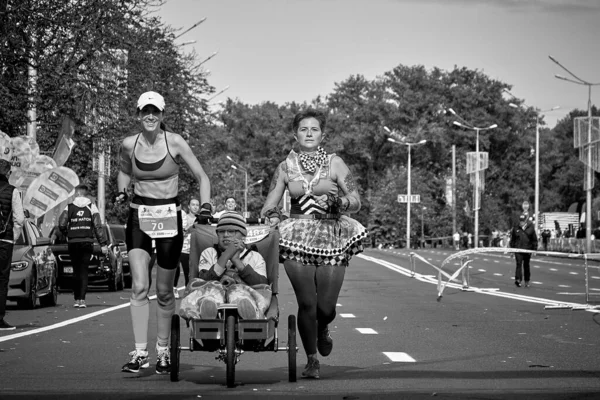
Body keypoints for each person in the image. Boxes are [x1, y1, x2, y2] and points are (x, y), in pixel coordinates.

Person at [260, 108, 366, 379]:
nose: (309, 133)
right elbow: (270, 204)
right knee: (307, 303)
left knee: (325, 308)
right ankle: (311, 360)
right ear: (294, 135)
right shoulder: (285, 167)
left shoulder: (335, 163)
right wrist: (271, 214)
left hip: (331, 234)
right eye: (303, 129)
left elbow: (355, 200)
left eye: (314, 129)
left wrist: (341, 202)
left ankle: (322, 328)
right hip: (297, 238)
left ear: (323, 134)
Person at [115, 91, 211, 375]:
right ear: (138, 113)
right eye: (145, 110)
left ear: (162, 115)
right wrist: (122, 190)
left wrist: (205, 206)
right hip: (138, 215)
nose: (150, 116)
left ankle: (164, 352)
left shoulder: (176, 142)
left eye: (155, 111)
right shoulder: (128, 144)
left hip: (169, 215)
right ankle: (140, 352)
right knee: (140, 286)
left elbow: (202, 176)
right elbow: (122, 172)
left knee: (164, 290)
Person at [179, 212, 271, 320]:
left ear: (242, 235)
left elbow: (261, 284)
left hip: (245, 294)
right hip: (215, 297)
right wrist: (226, 255)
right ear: (217, 235)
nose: (226, 234)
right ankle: (208, 308)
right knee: (209, 290)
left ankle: (247, 309)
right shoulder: (209, 253)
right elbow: (205, 280)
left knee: (241, 292)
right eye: (221, 231)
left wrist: (236, 261)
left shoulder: (254, 256)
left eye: (231, 231)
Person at [57, 184, 108, 308]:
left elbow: (61, 224)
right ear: (86, 194)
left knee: (76, 270)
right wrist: (103, 244)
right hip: (87, 242)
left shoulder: (69, 207)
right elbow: (97, 226)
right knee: (84, 270)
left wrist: (68, 234)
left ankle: (76, 299)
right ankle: (82, 300)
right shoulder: (92, 207)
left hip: (73, 243)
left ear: (78, 194)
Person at [0, 160, 24, 330]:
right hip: (4, 240)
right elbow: (20, 219)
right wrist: (12, 237)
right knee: (1, 280)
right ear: (8, 173)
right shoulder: (12, 191)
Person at [173, 198, 200, 299]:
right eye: (193, 205)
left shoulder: (200, 219)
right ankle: (174, 288)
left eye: (197, 205)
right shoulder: (183, 217)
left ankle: (187, 290)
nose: (195, 207)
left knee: (189, 272)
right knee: (178, 269)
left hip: (194, 249)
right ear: (189, 206)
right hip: (182, 248)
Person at [509, 214, 538, 288]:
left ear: (526, 221)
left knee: (526, 265)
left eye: (523, 221)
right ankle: (518, 279)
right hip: (518, 249)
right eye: (520, 221)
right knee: (518, 264)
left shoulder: (530, 228)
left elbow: (534, 240)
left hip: (527, 249)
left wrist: (534, 249)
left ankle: (527, 280)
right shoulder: (516, 228)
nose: (521, 222)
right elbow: (513, 240)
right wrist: (512, 250)